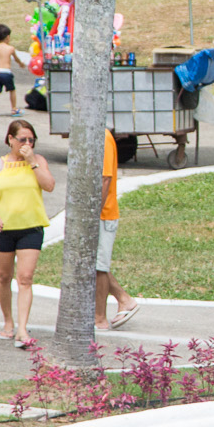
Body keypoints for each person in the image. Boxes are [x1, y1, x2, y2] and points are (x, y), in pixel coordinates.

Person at [0, 119, 55, 348]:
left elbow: (49, 185)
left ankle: (23, 328)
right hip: (3, 228)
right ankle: (8, 321)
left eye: (31, 140)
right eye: (22, 139)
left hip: (30, 227)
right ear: (10, 139)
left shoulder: (38, 161)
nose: (27, 144)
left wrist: (32, 161)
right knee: (4, 276)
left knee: (25, 278)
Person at [95, 130, 142, 331]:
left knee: (99, 267)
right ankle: (124, 299)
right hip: (98, 212)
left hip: (103, 214)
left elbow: (105, 178)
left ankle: (100, 318)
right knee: (94, 264)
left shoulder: (103, 137)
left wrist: (94, 212)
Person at [0, 24, 21, 116]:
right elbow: (16, 59)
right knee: (12, 90)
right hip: (6, 72)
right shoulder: (10, 48)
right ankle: (14, 108)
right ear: (8, 37)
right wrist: (21, 63)